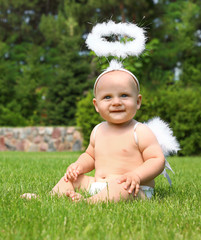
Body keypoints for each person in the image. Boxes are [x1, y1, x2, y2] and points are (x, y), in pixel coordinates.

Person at [22, 68, 166, 203]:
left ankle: (88, 202)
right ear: (96, 105)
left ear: (138, 101)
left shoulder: (139, 131)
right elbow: (90, 156)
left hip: (133, 188)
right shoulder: (98, 130)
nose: (116, 102)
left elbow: (157, 160)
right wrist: (78, 165)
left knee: (120, 186)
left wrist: (136, 176)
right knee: (71, 179)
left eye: (124, 95)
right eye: (107, 97)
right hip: (99, 184)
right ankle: (48, 197)